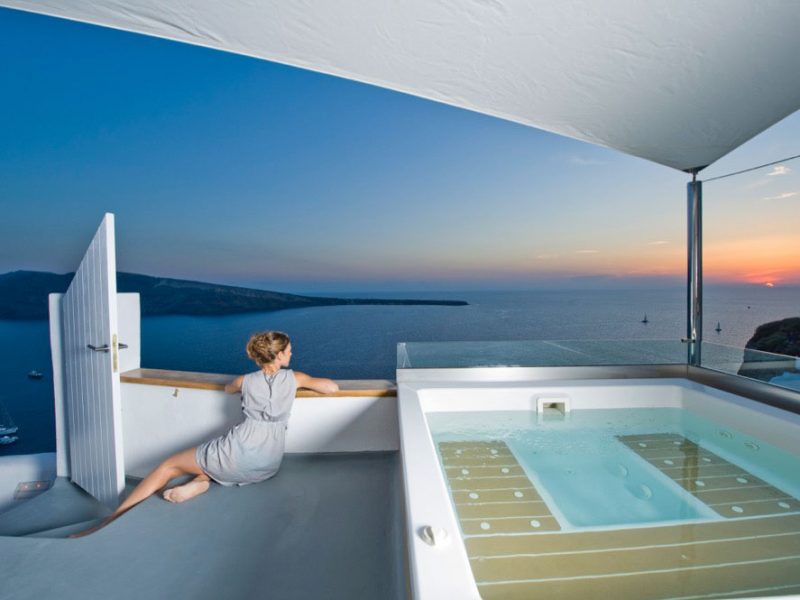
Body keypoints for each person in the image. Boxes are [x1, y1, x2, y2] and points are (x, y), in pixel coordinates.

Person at [73, 331, 338, 537]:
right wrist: (302, 383)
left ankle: (113, 518)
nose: (291, 353)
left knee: (169, 465)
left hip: (237, 452)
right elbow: (331, 388)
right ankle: (201, 481)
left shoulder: (244, 381)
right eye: (289, 351)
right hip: (267, 464)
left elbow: (228, 389)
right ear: (278, 356)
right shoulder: (295, 378)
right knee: (212, 462)